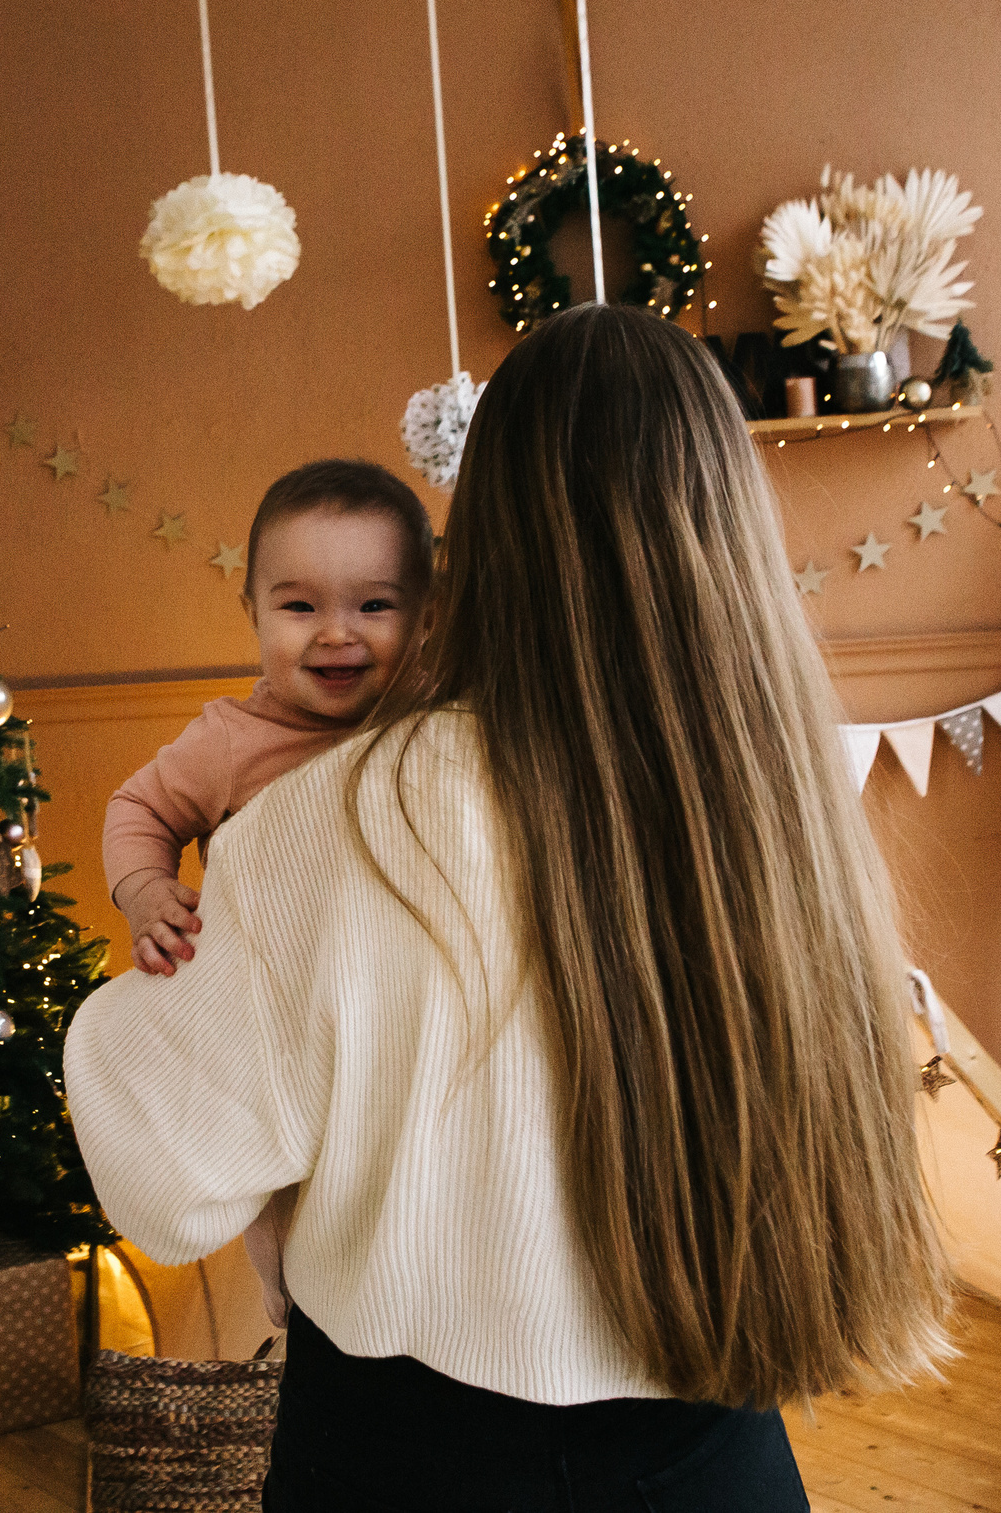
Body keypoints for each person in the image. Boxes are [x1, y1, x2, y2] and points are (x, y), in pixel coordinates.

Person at [63, 305, 954, 1511]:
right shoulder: (787, 817)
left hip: (405, 1457)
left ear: (473, 539)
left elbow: (170, 1182)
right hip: (715, 1453)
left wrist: (125, 996)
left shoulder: (330, 824)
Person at [102, 457, 435, 1325]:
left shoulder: (430, 726)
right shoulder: (230, 740)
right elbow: (138, 805)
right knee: (290, 1201)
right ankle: (296, 1299)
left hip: (393, 1019)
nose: (336, 634)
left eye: (375, 604)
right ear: (250, 611)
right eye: (299, 606)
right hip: (274, 1025)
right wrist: (145, 891)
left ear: (426, 612)